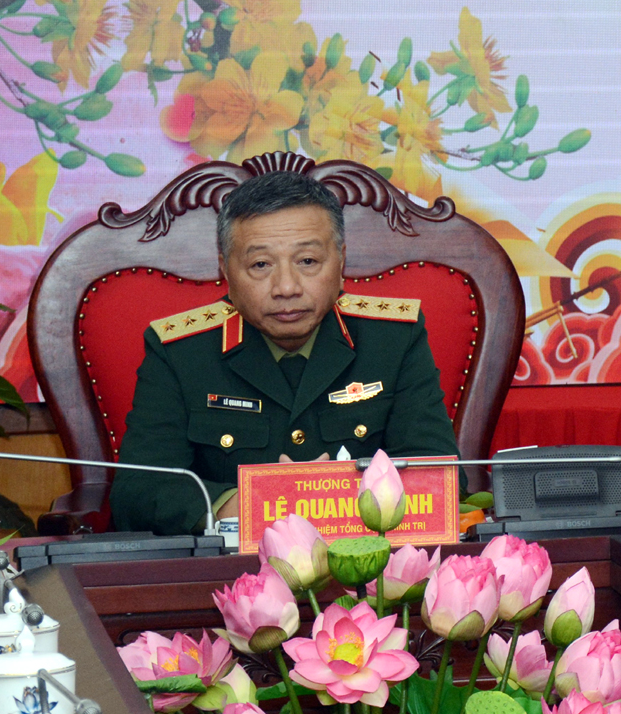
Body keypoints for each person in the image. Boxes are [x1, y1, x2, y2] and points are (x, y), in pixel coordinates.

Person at [112, 170, 459, 535]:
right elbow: (137, 493)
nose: (287, 287)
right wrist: (251, 503)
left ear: (341, 261)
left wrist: (327, 499)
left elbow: (441, 477)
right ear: (224, 269)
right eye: (261, 265)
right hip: (234, 563)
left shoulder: (393, 338)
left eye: (307, 261)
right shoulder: (181, 351)